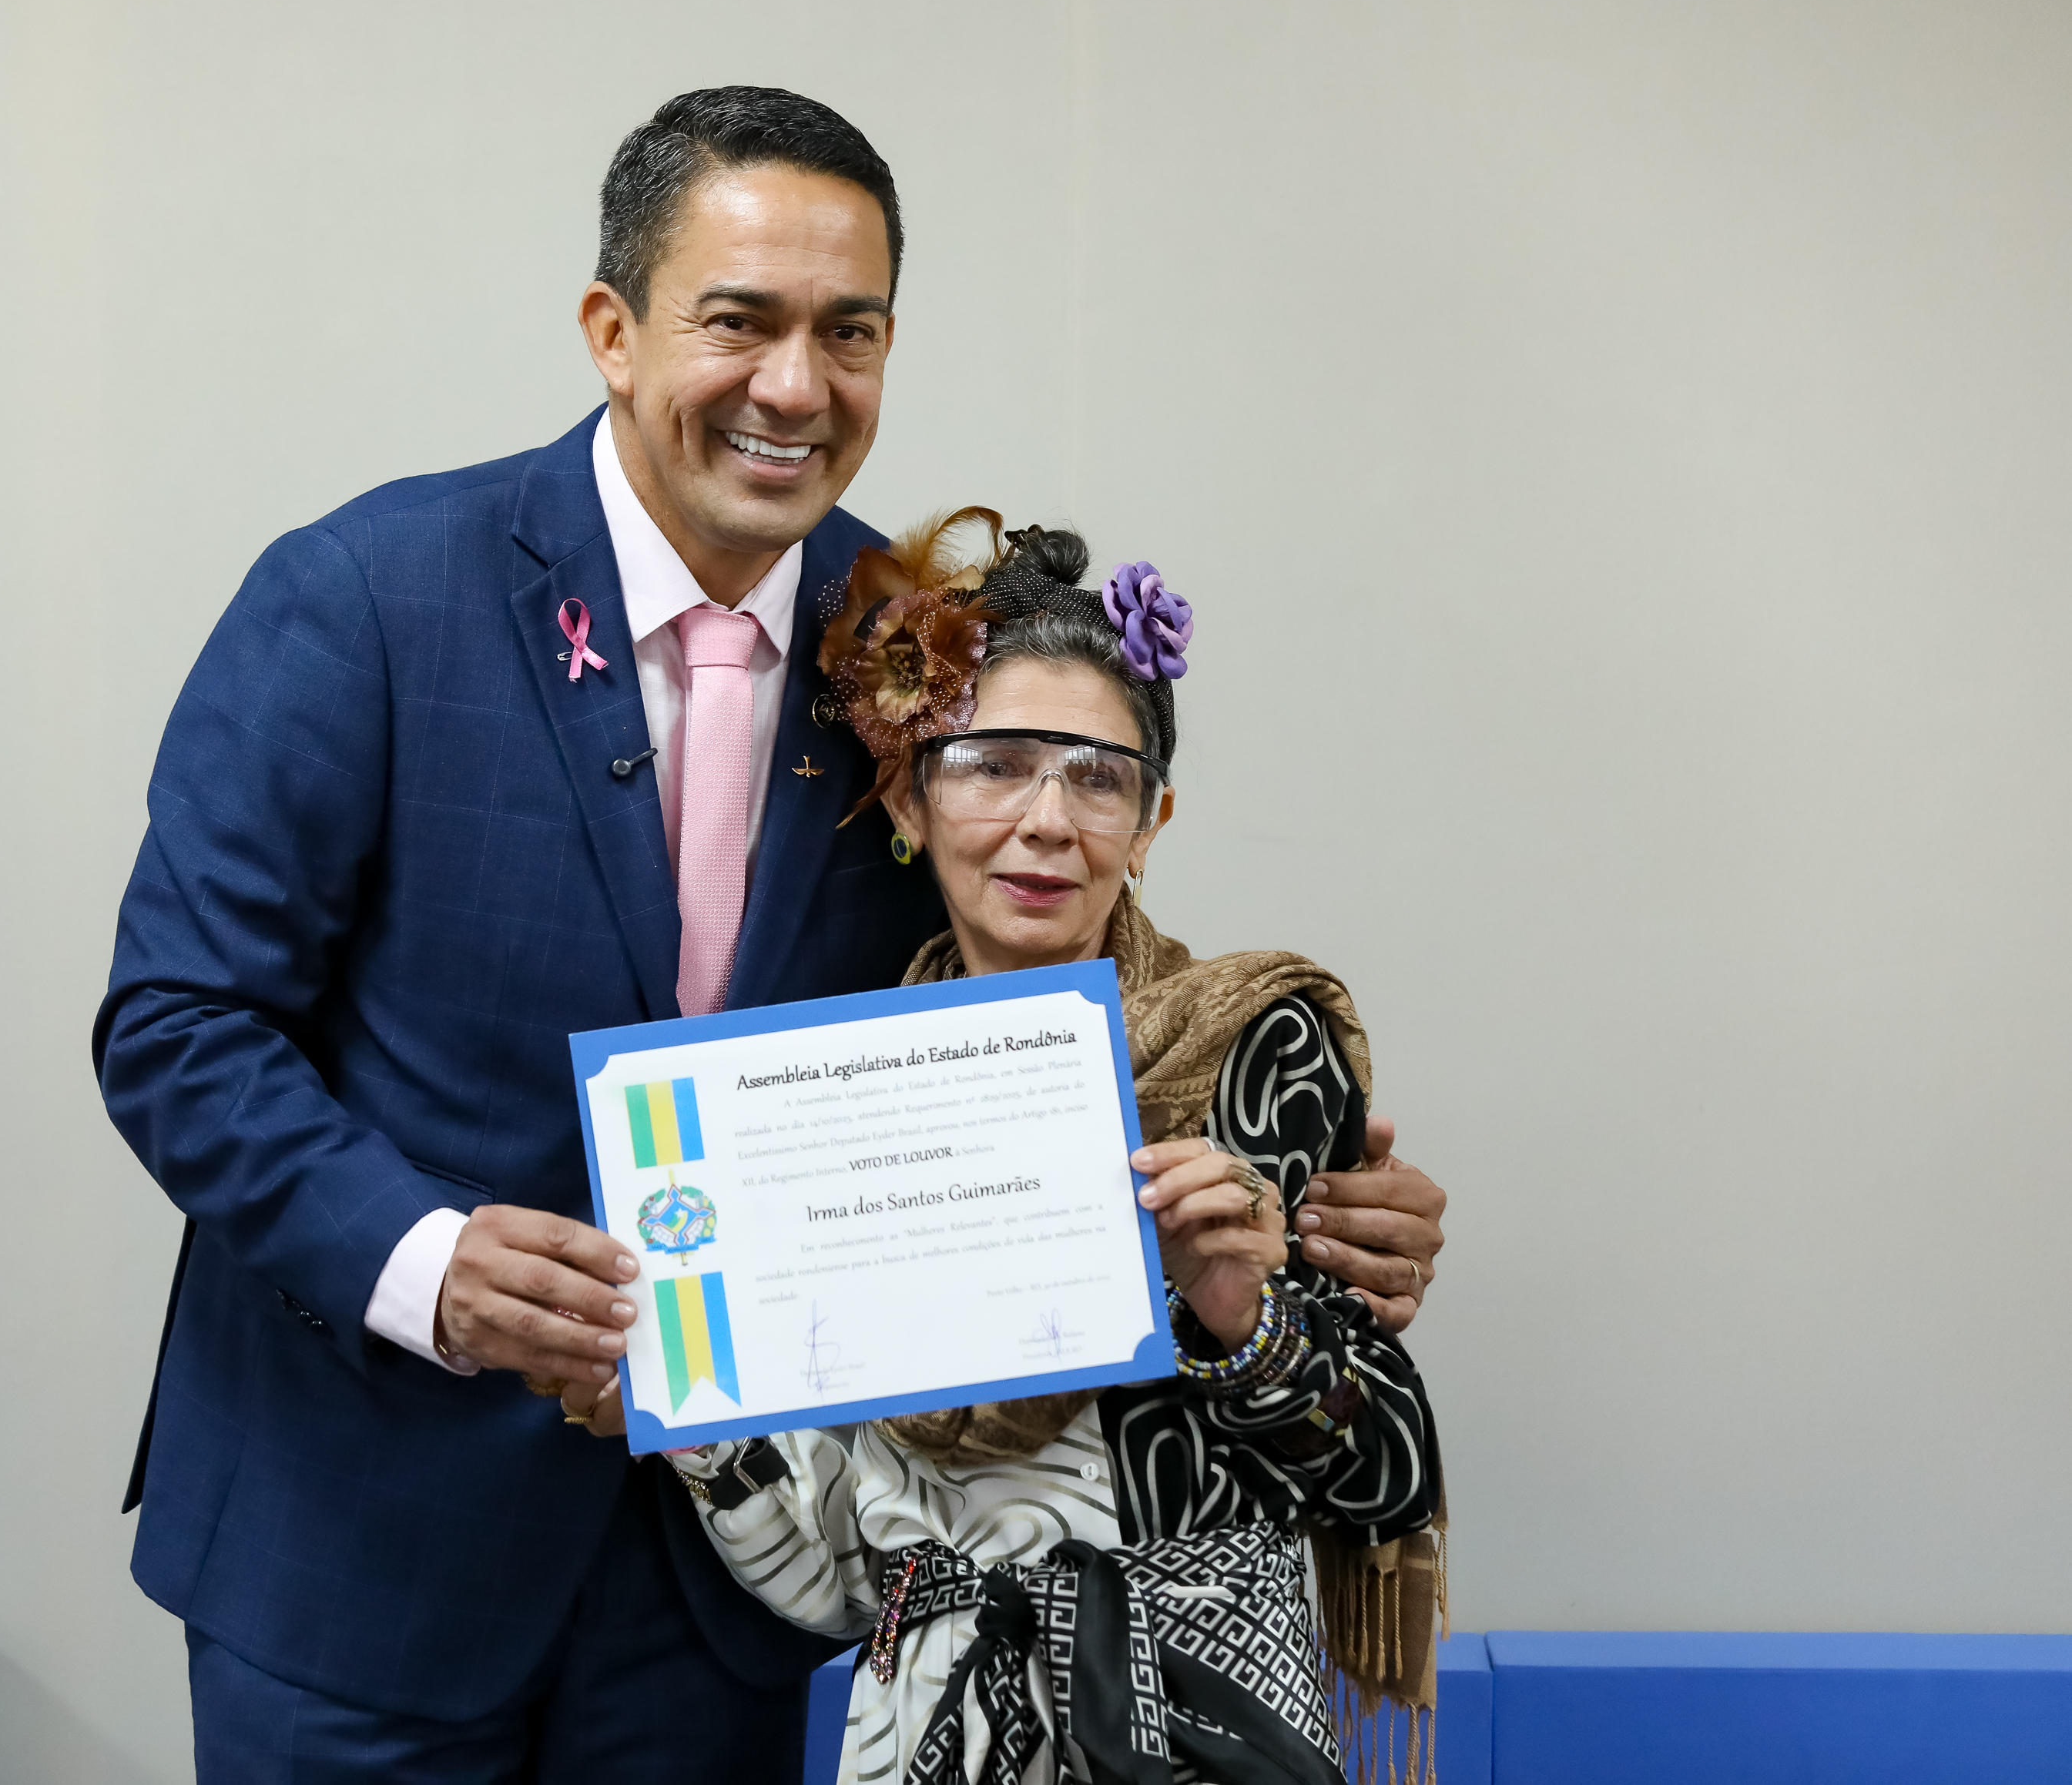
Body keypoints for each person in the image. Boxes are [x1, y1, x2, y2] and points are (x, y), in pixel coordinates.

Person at [93, 89, 1447, 1783]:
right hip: (361, 1539)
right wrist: (428, 1264)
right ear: (612, 331)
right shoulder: (368, 594)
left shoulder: (927, 650)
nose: (795, 387)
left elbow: (1055, 978)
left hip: (726, 1579)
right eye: (738, 320)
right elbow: (176, 1026)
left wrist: (1310, 1203)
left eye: (848, 331)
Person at [566, 514, 1441, 1785]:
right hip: (931, 1729)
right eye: (995, 764)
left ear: (1151, 821)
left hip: (1194, 1726)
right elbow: (830, 1579)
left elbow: (1385, 1476)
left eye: (1099, 779)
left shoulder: (1255, 1043)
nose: (1047, 820)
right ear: (911, 798)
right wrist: (680, 1401)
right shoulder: (828, 1103)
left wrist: (1242, 1315)